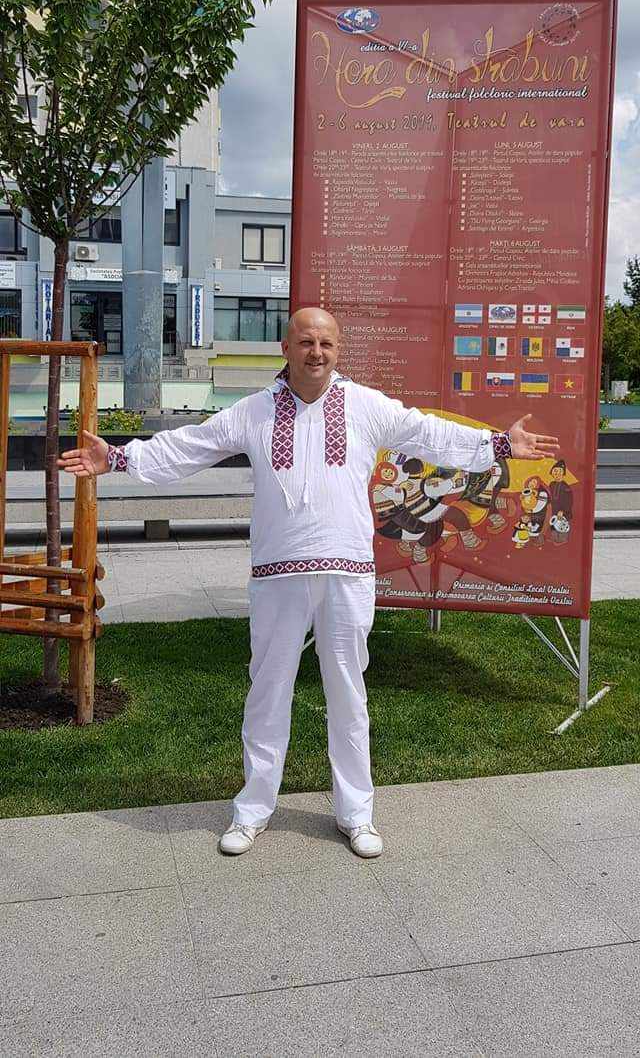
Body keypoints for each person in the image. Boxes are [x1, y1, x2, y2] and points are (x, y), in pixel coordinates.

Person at [59, 308, 560, 859]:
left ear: (338, 350)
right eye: (305, 342)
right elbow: (192, 445)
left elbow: (426, 432)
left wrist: (499, 445)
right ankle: (253, 810)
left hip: (347, 572)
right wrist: (119, 457)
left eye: (325, 343)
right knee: (267, 689)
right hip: (279, 573)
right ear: (286, 348)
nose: (315, 352)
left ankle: (356, 813)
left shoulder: (366, 405)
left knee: (348, 691)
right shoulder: (254, 411)